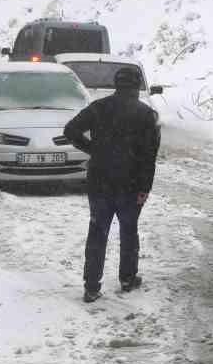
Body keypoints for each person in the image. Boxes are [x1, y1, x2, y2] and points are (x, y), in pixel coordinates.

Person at [63, 66, 161, 302]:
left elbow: (70, 130)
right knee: (129, 231)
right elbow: (150, 156)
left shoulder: (99, 107)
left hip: (100, 181)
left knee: (97, 231)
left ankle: (91, 286)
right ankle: (127, 278)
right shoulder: (147, 115)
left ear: (116, 85)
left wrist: (93, 150)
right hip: (131, 184)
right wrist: (144, 188)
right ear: (137, 86)